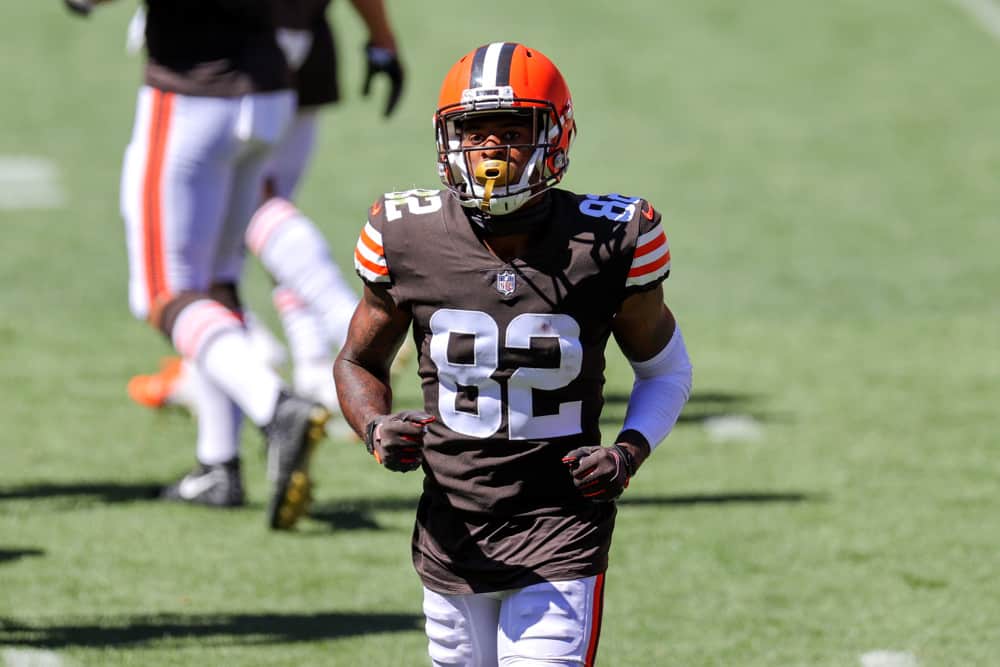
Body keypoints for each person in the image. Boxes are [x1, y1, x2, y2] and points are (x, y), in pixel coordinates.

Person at [334, 42, 693, 665]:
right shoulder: (405, 233)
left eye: (511, 130)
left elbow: (665, 369)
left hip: (561, 526)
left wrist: (628, 453)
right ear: (448, 139)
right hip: (453, 528)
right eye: (475, 133)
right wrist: (373, 427)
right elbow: (358, 362)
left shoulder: (611, 239)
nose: (492, 149)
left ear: (553, 136)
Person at [69, 0, 331, 530]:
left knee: (163, 293)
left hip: (195, 93)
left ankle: (274, 406)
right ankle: (218, 463)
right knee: (216, 281)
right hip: (270, 88)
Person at [126, 0, 404, 418]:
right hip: (289, 48)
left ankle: (344, 331)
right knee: (253, 214)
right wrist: (382, 39)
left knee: (184, 274)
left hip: (217, 61)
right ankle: (311, 358)